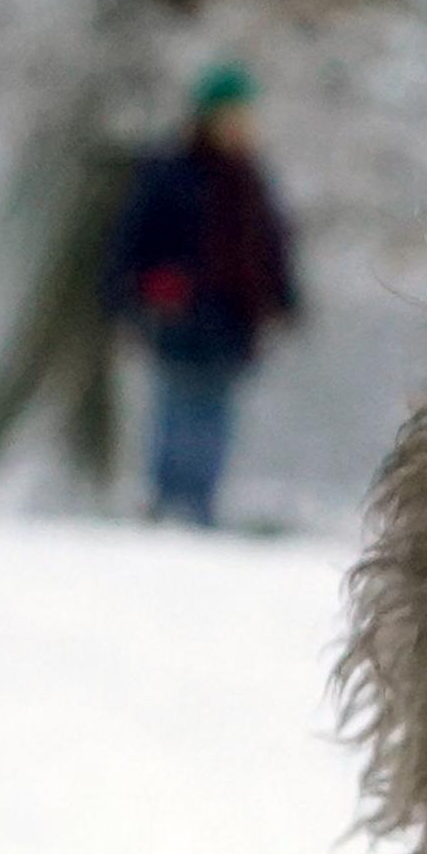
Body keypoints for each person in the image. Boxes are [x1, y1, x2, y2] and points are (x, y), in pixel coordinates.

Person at [102, 65, 299, 526]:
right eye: (229, 115)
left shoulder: (251, 180)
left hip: (233, 318)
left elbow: (271, 245)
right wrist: (130, 291)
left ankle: (198, 503)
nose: (238, 126)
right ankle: (169, 499)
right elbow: (132, 238)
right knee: (177, 399)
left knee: (216, 409)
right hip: (178, 311)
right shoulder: (169, 171)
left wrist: (285, 299)